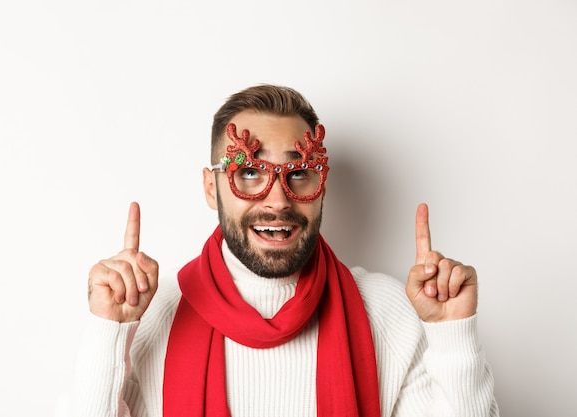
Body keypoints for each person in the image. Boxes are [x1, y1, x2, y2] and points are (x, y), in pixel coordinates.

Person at [72, 85, 499, 417]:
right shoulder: (151, 316)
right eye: (251, 172)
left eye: (299, 173)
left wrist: (453, 336)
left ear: (321, 187)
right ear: (210, 187)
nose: (277, 200)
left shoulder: (388, 313)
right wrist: (108, 332)